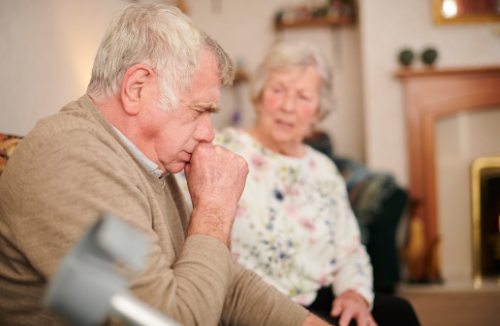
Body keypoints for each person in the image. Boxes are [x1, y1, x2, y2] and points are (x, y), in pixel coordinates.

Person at [0, 5, 332, 326]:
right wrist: (214, 210)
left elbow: (222, 285)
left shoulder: (146, 159)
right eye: (198, 110)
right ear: (136, 88)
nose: (208, 133)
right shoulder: (71, 159)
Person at [176, 40, 420, 326]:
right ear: (259, 96)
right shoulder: (215, 149)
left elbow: (349, 250)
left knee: (398, 313)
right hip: (250, 304)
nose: (288, 106)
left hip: (317, 298)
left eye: (303, 96)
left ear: (318, 111)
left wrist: (355, 294)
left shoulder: (324, 170)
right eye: (278, 90)